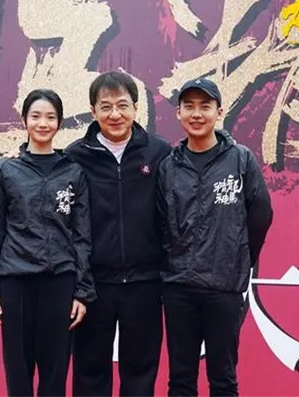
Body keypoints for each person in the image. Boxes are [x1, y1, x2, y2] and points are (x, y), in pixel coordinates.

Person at [156, 78, 274, 396]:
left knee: (223, 379)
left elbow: (261, 215)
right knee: (181, 379)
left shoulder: (240, 160)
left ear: (219, 112)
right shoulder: (168, 167)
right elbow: (159, 222)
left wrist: (238, 256)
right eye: (189, 107)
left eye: (205, 107)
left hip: (224, 286)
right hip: (179, 287)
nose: (197, 114)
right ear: (178, 113)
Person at [0, 88, 96, 397]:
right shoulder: (6, 169)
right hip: (16, 280)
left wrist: (82, 291)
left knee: (55, 373)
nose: (43, 123)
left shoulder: (73, 171)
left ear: (60, 122)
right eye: (36, 116)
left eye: (51, 117)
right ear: (24, 120)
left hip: (60, 280)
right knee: (18, 371)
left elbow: (82, 235)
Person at [65, 71, 171, 396]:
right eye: (106, 106)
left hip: (145, 283)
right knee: (90, 372)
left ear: (136, 108)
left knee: (140, 373)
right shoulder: (75, 157)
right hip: (93, 285)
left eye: (123, 105)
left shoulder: (159, 153)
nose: (115, 114)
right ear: (93, 111)